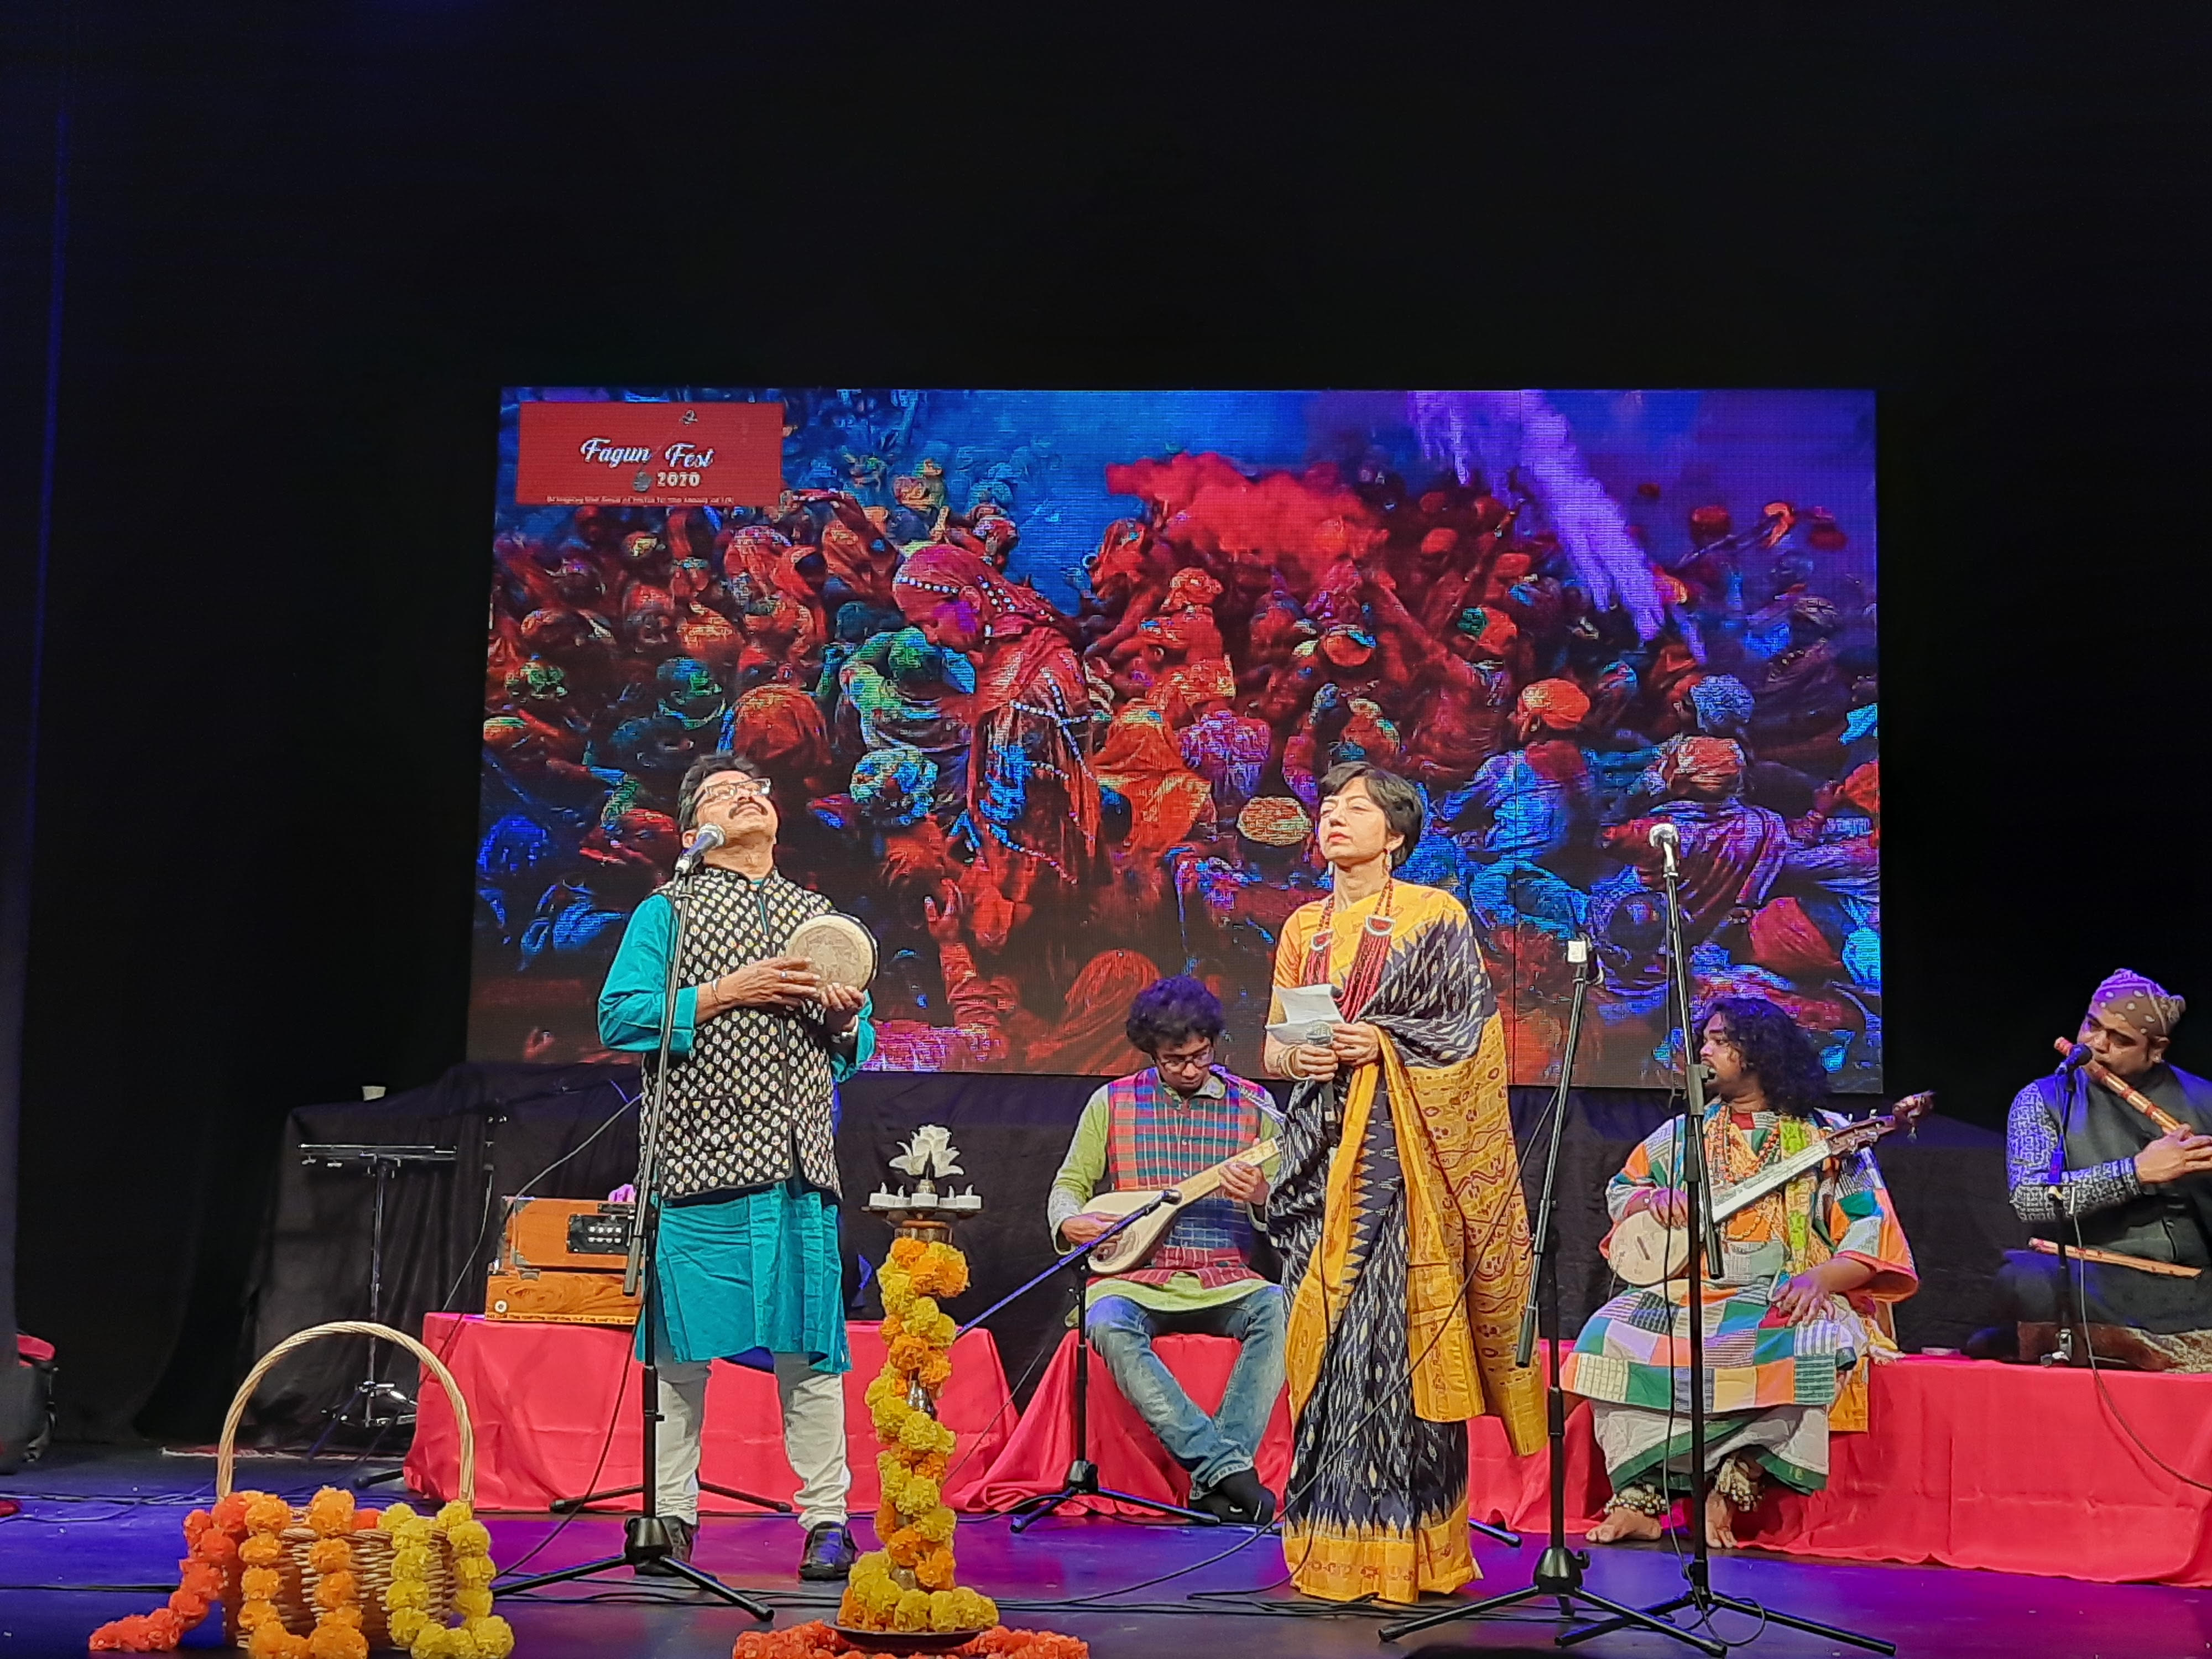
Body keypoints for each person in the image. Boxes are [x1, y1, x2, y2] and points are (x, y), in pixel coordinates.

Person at [1262, 762, 1544, 1604]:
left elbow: (1467, 1039)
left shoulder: (1433, 916)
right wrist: (1304, 1059)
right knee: (1326, 1351)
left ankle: (1409, 1553)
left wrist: (1378, 1044)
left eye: (1356, 809)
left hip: (1402, 1165)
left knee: (1394, 1348)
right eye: (1328, 807)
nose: (1334, 819)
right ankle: (1326, 1544)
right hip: (1318, 1161)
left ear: (1395, 836)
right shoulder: (1304, 927)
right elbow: (1275, 1046)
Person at [597, 752, 875, 1582]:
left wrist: (845, 1020)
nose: (748, 798)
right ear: (695, 831)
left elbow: (855, 1049)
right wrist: (728, 991)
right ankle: (671, 1518)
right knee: (680, 1357)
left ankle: (827, 1521)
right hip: (696, 1167)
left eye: (755, 790)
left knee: (810, 1355)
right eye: (725, 794)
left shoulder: (817, 916)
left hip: (796, 1171)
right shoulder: (668, 910)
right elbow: (620, 1017)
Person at [1563, 996, 1916, 1548]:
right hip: (1691, 1291)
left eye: (1719, 1041)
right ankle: (1641, 1496)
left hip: (1783, 1292)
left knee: (1816, 1342)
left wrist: (1820, 1280)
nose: (1703, 1052)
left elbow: (1870, 1232)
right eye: (1705, 1040)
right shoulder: (1686, 1134)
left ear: (1757, 1054)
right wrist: (1653, 1200)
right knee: (1604, 1335)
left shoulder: (1826, 1137)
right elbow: (1622, 1190)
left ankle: (1731, 1484)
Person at [1047, 975, 1287, 1522]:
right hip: (1137, 1277)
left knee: (1280, 1307)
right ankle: (1229, 1473)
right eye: (1174, 1060)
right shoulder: (1111, 1103)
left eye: (1200, 1055)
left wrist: (1261, 1196)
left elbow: (1287, 1205)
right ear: (1151, 1052)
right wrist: (1071, 1222)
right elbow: (1070, 1185)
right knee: (1105, 1321)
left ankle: (1216, 1475)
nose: (1190, 1069)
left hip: (1224, 1276)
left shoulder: (1255, 1107)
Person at [1995, 970, 2212, 1368]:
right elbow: (2029, 1198)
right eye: (2092, 1025)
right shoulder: (2040, 1099)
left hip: (2188, 1281)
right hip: (2093, 1275)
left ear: (2156, 1050)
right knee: (2025, 1282)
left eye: (2120, 1039)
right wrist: (2135, 1173)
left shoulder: (2204, 1100)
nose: (2096, 1044)